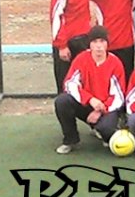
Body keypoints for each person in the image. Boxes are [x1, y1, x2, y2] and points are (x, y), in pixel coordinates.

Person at [54, 25, 126, 154]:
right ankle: (71, 140)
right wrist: (90, 99)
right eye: (95, 42)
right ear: (90, 44)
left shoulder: (115, 63)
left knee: (107, 131)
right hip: (87, 105)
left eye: (102, 41)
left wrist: (101, 109)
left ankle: (103, 128)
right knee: (62, 101)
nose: (98, 46)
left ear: (107, 43)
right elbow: (70, 84)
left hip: (105, 108)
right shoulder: (81, 59)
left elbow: (119, 96)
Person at [49, 0, 93, 93]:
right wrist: (61, 45)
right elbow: (56, 14)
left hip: (84, 38)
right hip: (66, 40)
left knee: (83, 83)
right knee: (65, 85)